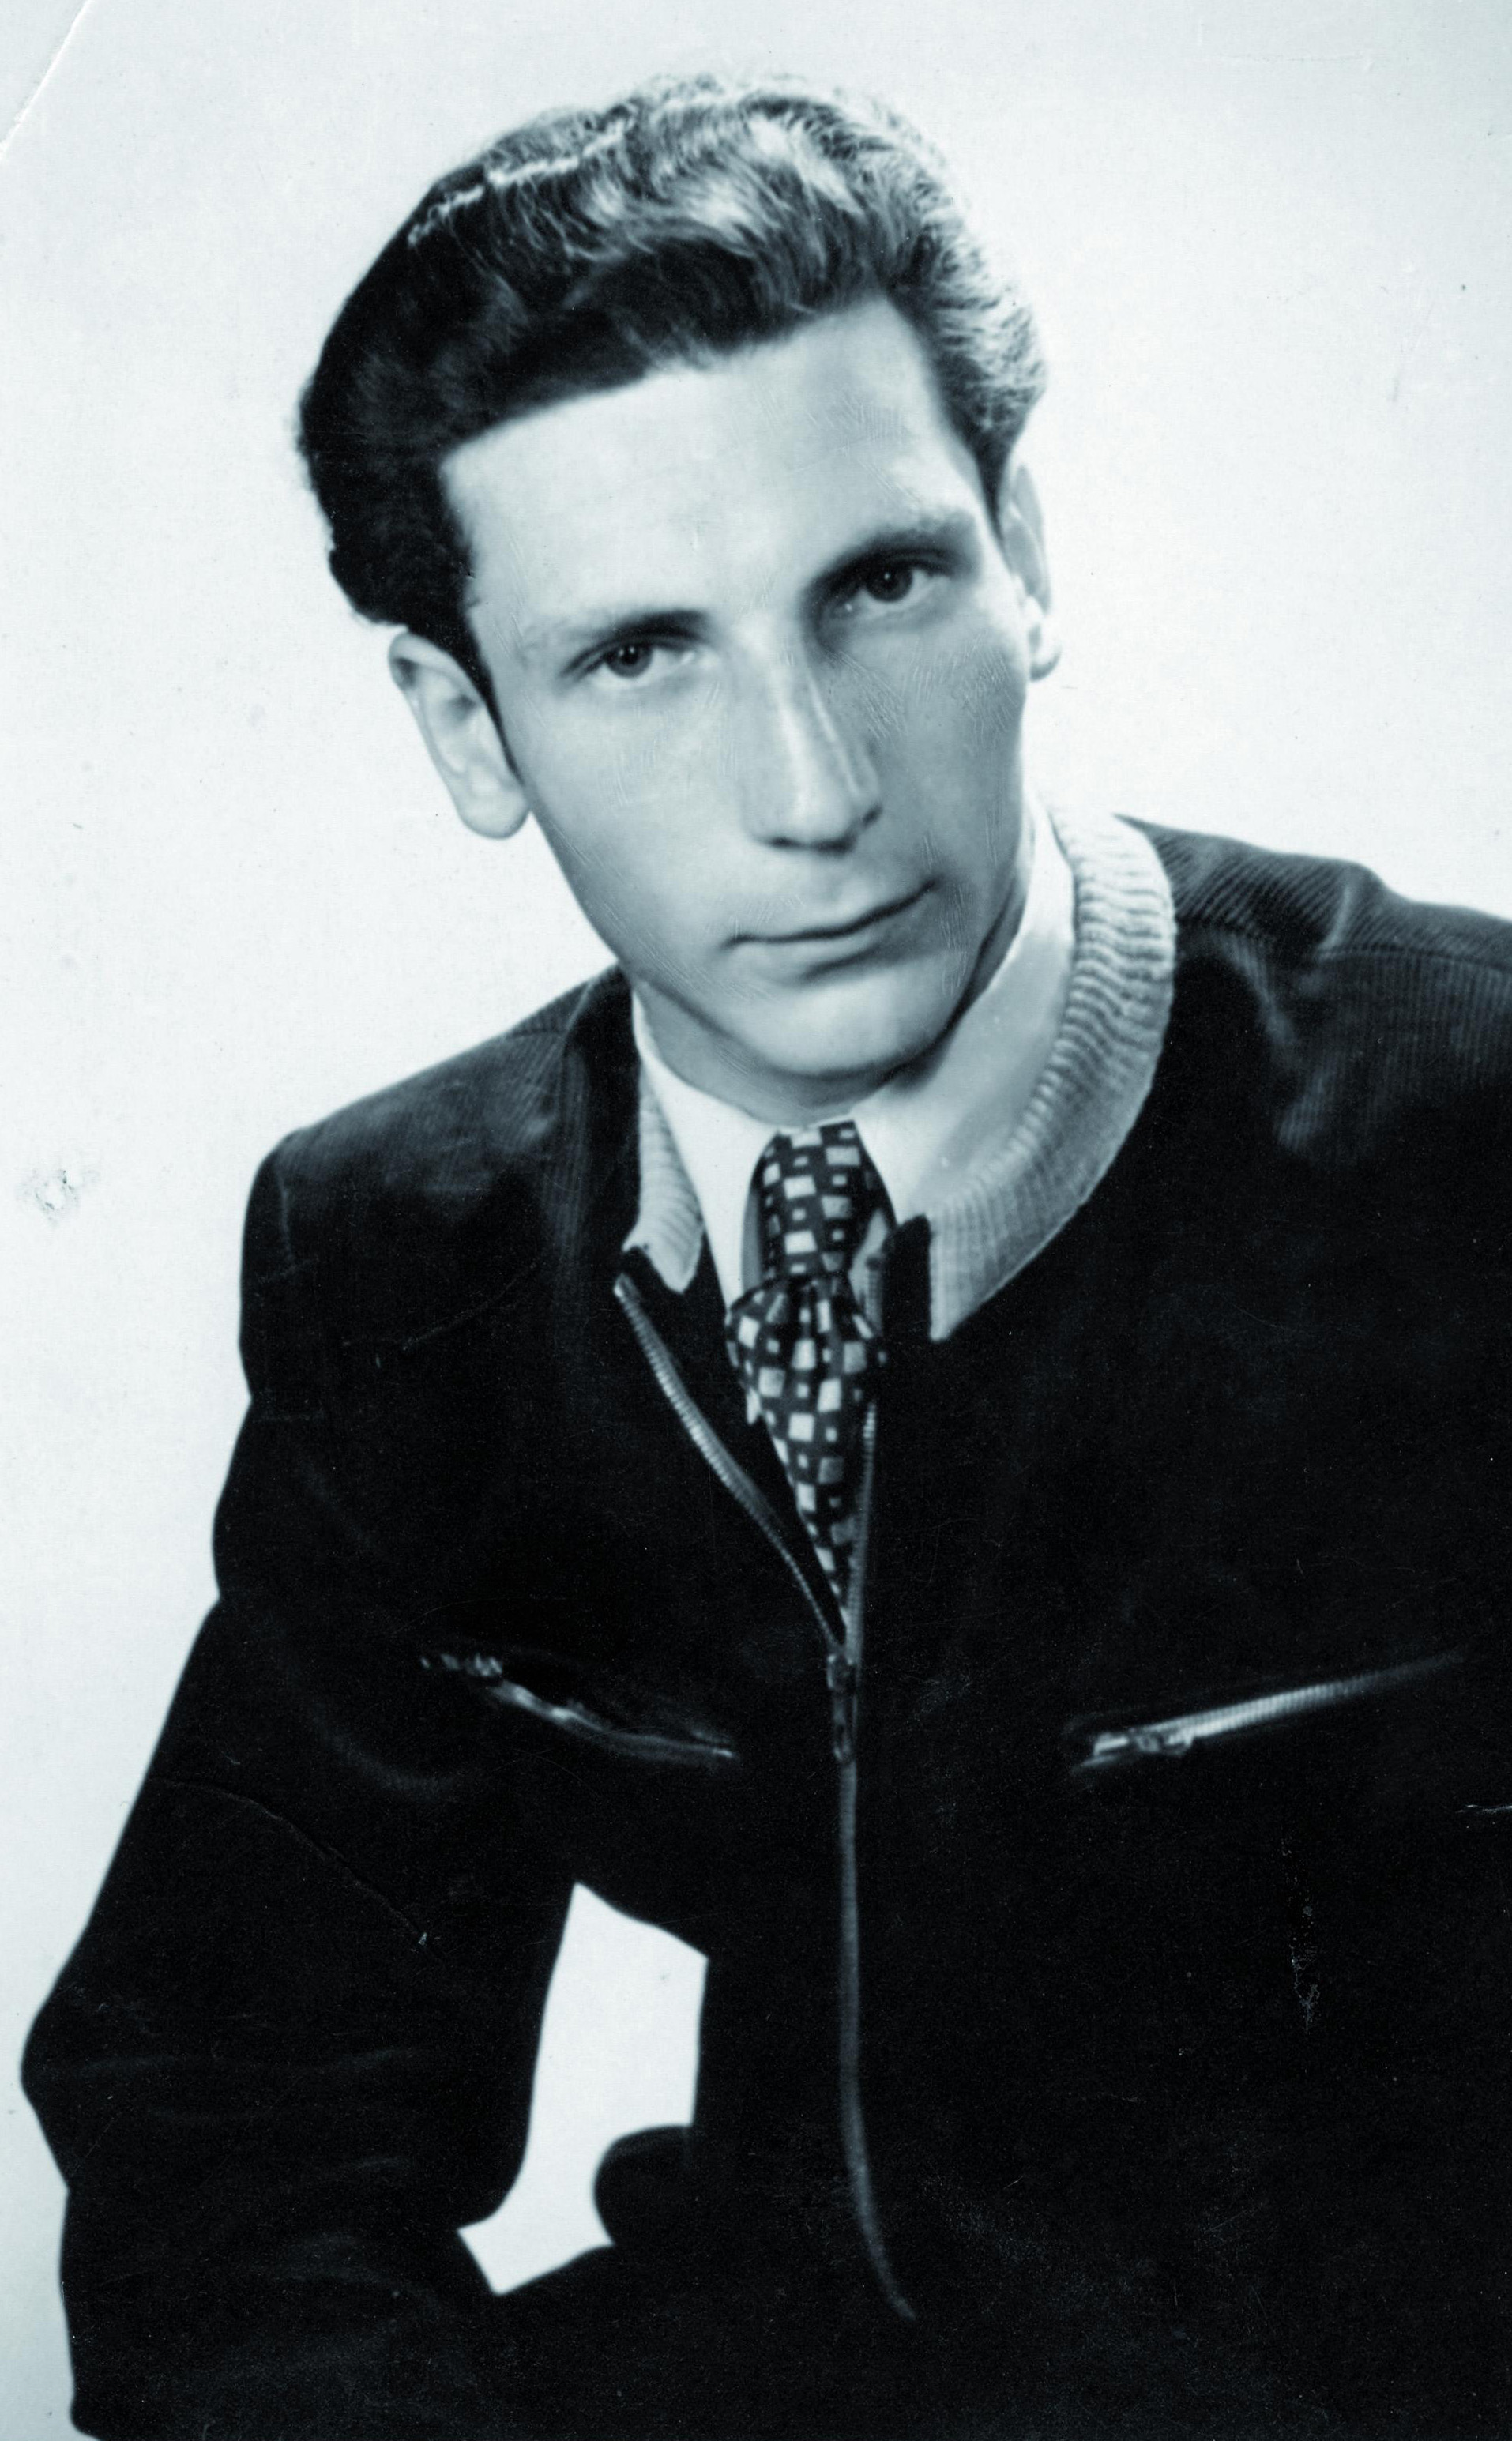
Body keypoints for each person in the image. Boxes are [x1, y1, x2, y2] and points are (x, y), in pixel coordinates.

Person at [24, 72, 1512, 2441]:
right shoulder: (403, 1252)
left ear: (1022, 548)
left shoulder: (1471, 1120)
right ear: (466, 726)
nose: (813, 789)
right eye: (640, 654)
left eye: (880, 582)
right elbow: (237, 2129)